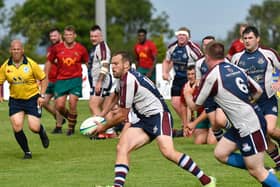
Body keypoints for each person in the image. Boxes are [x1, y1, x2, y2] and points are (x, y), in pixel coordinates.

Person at [92, 51, 216, 187]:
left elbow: (122, 115)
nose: (112, 67)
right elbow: (115, 95)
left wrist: (102, 127)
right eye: (111, 64)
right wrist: (102, 115)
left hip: (159, 116)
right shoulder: (122, 78)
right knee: (122, 147)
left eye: (116, 64)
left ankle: (207, 181)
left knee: (168, 152)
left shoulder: (129, 80)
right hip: (144, 120)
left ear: (126, 65)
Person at [184, 41, 280, 186]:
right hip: (242, 123)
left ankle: (261, 171)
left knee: (257, 172)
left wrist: (186, 93)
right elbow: (258, 91)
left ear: (208, 58)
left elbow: (194, 105)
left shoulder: (210, 77)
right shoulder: (237, 68)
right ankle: (261, 169)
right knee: (221, 153)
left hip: (249, 125)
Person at [231, 25, 280, 170]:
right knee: (263, 135)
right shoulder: (237, 58)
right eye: (245, 38)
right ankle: (279, 162)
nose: (247, 41)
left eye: (250, 38)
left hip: (267, 99)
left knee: (270, 129)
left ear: (257, 39)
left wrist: (278, 81)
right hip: (250, 104)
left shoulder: (268, 54)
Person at [0, 40, 49, 159]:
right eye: (14, 49)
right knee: (17, 127)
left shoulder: (31, 64)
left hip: (32, 99)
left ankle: (41, 131)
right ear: (10, 51)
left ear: (22, 50)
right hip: (16, 100)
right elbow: (0, 82)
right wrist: (0, 95)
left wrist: (42, 96)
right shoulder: (6, 66)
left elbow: (43, 79)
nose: (16, 51)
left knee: (34, 127)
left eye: (18, 49)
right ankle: (27, 152)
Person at [46, 25, 89, 136]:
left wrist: (93, 76)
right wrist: (44, 75)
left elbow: (87, 62)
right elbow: (49, 61)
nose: (68, 36)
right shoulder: (57, 48)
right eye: (66, 35)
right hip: (61, 79)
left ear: (75, 35)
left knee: (72, 102)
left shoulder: (81, 49)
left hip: (75, 79)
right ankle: (71, 118)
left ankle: (71, 128)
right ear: (63, 36)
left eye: (71, 34)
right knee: (59, 106)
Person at [162, 27, 203, 128]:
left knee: (187, 104)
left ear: (188, 37)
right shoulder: (172, 47)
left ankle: (188, 126)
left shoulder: (193, 48)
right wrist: (165, 72)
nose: (181, 37)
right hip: (178, 78)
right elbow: (167, 60)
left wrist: (198, 78)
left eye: (183, 35)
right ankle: (187, 123)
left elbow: (202, 62)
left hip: (190, 78)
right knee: (175, 103)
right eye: (179, 35)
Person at [193, 35, 230, 142]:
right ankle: (225, 141)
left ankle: (234, 131)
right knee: (199, 141)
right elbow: (198, 82)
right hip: (208, 100)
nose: (207, 47)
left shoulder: (225, 62)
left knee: (218, 126)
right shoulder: (199, 63)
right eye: (205, 45)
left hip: (221, 99)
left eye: (210, 44)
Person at [181, 65, 216, 144]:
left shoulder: (204, 86)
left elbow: (208, 109)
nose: (190, 76)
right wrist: (186, 125)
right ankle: (208, 133)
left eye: (193, 74)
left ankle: (222, 135)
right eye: (188, 74)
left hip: (212, 115)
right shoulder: (186, 87)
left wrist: (194, 123)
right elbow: (184, 106)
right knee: (198, 142)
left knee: (211, 141)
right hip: (201, 116)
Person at [43, 27, 65, 134]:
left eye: (54, 35)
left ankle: (59, 127)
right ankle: (59, 118)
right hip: (50, 80)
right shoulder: (50, 49)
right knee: (44, 102)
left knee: (57, 103)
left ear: (60, 35)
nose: (52, 38)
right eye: (51, 36)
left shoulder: (65, 48)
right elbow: (48, 63)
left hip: (60, 80)